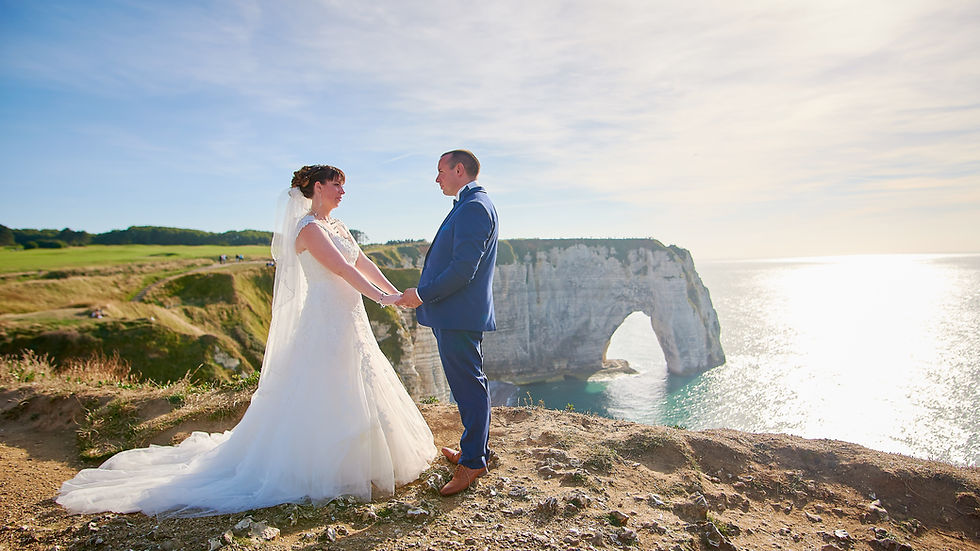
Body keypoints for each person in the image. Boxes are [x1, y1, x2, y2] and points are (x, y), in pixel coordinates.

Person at [56, 165, 437, 517]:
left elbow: (361, 262)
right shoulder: (308, 230)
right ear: (317, 187)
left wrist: (396, 291)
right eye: (336, 184)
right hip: (325, 316)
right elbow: (338, 268)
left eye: (343, 186)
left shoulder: (337, 225)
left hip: (350, 315)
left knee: (358, 377)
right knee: (323, 385)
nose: (342, 191)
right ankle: (320, 466)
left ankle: (367, 461)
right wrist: (383, 299)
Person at [397, 150, 499, 496]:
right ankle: (475, 451)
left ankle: (473, 463)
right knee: (467, 385)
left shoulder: (473, 207)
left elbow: (462, 270)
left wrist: (422, 294)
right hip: (457, 314)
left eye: (440, 171)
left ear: (459, 169)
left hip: (458, 315)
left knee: (469, 387)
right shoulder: (470, 203)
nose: (437, 178)